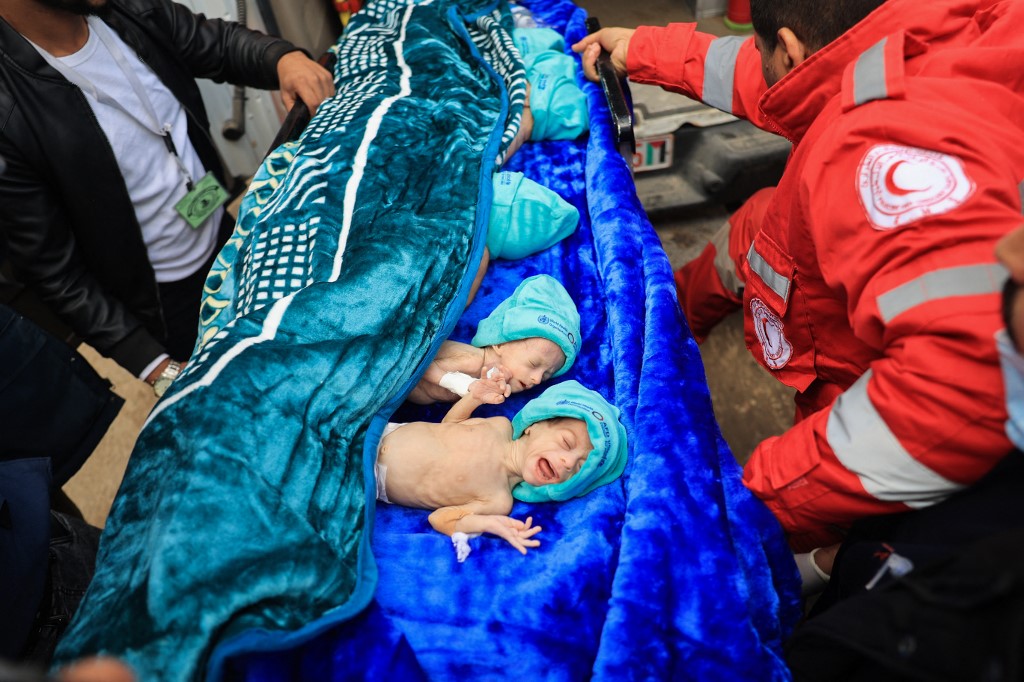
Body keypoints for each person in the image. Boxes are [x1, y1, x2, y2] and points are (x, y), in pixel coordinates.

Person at [573, 0, 1022, 551]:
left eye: (765, 48)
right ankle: (668, 328)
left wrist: (761, 499)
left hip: (860, 370)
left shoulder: (885, 155)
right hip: (829, 244)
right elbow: (786, 80)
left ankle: (827, 558)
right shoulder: (922, 25)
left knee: (834, 500)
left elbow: (965, 387)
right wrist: (644, 49)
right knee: (757, 222)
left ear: (788, 48)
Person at [0, 0, 335, 397]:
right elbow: (54, 271)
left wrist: (281, 59)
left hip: (227, 231)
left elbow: (215, 43)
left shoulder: (123, 9)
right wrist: (156, 365)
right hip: (167, 301)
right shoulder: (8, 110)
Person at [377, 378, 628, 555]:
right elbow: (449, 427)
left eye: (578, 469)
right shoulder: (498, 426)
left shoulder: (498, 501)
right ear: (535, 425)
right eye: (566, 442)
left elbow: (440, 519)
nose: (569, 463)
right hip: (379, 431)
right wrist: (473, 398)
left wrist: (489, 525)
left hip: (369, 479)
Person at [406, 274, 581, 404]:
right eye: (533, 364)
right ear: (500, 344)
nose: (536, 379)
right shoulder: (473, 360)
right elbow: (420, 364)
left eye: (546, 376)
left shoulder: (493, 383)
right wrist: (464, 384)